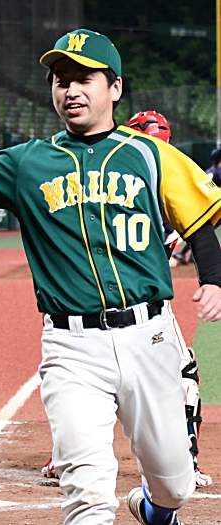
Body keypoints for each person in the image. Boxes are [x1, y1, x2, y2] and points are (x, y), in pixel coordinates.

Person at [0, 29, 221, 525]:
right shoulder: (27, 162)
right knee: (88, 494)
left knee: (175, 484)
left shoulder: (151, 154)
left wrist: (214, 279)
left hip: (150, 338)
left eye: (84, 79)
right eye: (61, 80)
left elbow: (199, 223)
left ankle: (156, 509)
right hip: (72, 349)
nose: (71, 90)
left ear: (114, 87)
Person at [41, 111, 213, 489]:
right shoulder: (136, 177)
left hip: (137, 306)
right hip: (98, 301)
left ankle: (182, 460)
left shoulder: (146, 174)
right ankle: (67, 455)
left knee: (82, 377)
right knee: (77, 377)